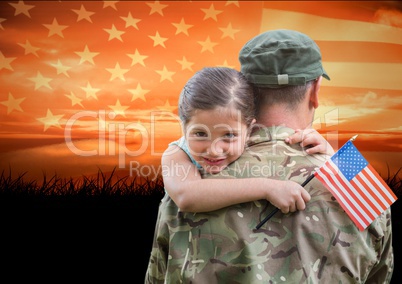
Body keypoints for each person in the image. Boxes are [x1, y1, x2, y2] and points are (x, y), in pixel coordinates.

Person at [145, 30, 394, 283]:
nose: (214, 149)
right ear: (315, 90)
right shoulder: (358, 180)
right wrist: (331, 159)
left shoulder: (195, 176)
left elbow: (159, 276)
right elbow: (380, 273)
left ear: (245, 92)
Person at [163, 66, 333, 214]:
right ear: (184, 128)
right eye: (200, 134)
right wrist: (268, 188)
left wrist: (328, 153)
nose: (214, 150)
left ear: (250, 130)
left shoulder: (261, 141)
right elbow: (187, 196)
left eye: (228, 136)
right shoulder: (176, 153)